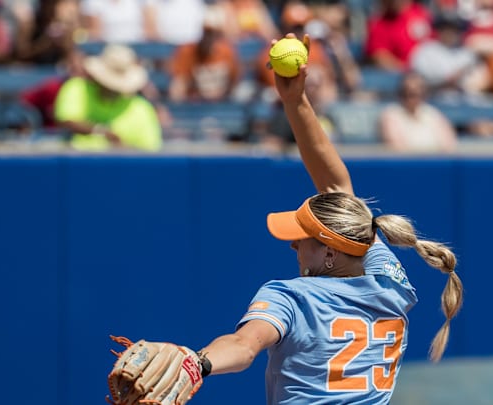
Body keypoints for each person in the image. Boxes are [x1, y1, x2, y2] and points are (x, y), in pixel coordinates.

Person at [117, 33, 464, 404]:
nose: (294, 243)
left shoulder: (293, 297)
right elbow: (339, 191)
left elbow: (243, 345)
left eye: (303, 237)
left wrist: (198, 363)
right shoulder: (390, 285)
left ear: (330, 252)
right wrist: (295, 99)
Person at [53, 44, 163, 152]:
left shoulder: (142, 109)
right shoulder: (77, 88)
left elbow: (149, 150)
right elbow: (67, 120)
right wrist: (101, 132)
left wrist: (122, 150)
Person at [378, 71, 458, 152]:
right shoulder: (390, 114)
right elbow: (397, 148)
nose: (410, 98)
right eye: (406, 93)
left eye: (415, 94)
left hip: (436, 161)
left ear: (424, 94)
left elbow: (449, 144)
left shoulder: (433, 113)